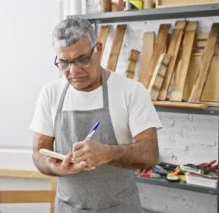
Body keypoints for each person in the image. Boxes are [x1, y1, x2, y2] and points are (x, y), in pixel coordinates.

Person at [30, 17, 162, 212]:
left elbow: (150, 153)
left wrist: (107, 153)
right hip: (68, 208)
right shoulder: (50, 93)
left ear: (98, 50)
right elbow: (38, 152)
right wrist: (54, 167)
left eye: (82, 59)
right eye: (64, 63)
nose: (73, 71)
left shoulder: (131, 91)